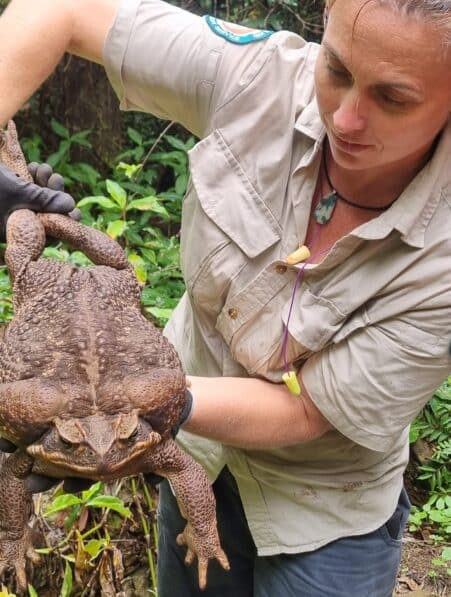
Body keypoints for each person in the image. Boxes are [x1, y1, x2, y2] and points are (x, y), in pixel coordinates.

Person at [0, 0, 450, 595]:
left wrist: (133, 413)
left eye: (393, 98)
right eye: (336, 69)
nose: (345, 118)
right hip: (196, 461)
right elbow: (61, 8)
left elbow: (307, 410)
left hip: (322, 510)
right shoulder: (260, 79)